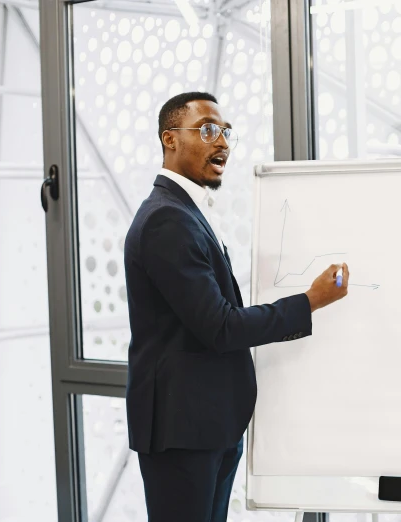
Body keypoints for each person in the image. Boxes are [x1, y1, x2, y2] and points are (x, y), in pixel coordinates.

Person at [123, 91, 349, 521]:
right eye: (207, 130)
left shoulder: (185, 211)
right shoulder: (166, 219)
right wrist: (311, 300)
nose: (222, 141)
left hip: (208, 427)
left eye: (226, 131)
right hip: (183, 434)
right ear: (170, 140)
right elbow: (220, 327)